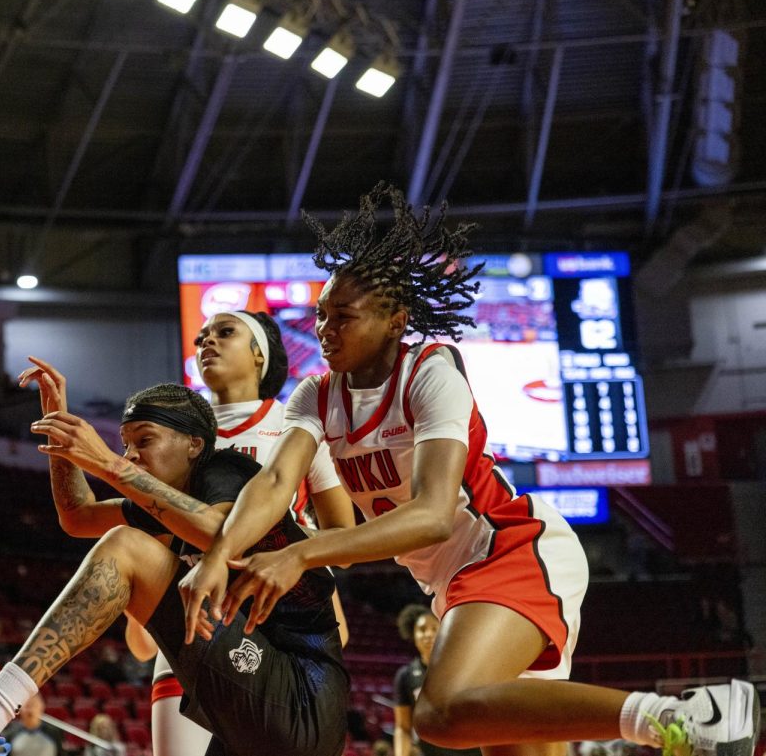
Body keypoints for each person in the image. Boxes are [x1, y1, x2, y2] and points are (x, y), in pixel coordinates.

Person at [179, 183, 760, 756]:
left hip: (510, 549)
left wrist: (303, 552)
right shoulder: (315, 393)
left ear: (395, 320)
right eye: (321, 316)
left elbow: (432, 517)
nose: (324, 331)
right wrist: (215, 559)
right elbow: (276, 482)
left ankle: (683, 715)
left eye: (343, 317)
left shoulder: (431, 373)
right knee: (484, 731)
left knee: (438, 711)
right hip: (452, 583)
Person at [0, 368, 348, 756]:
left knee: (126, 547)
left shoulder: (230, 470)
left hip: (301, 691)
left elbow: (217, 532)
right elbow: (78, 516)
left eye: (144, 439)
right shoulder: (160, 503)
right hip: (253, 695)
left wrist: (106, 464)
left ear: (195, 445)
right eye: (124, 443)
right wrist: (63, 437)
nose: (130, 454)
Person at [125, 310, 357, 756]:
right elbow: (151, 523)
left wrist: (286, 538)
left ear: (260, 354)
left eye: (225, 333)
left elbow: (343, 541)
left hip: (278, 626)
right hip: (193, 617)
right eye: (201, 337)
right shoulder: (171, 436)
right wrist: (136, 609)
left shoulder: (299, 430)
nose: (206, 342)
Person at [393, 605, 480, 756]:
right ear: (413, 636)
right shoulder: (405, 676)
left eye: (434, 628)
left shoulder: (466, 667)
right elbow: (403, 727)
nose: (428, 634)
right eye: (422, 629)